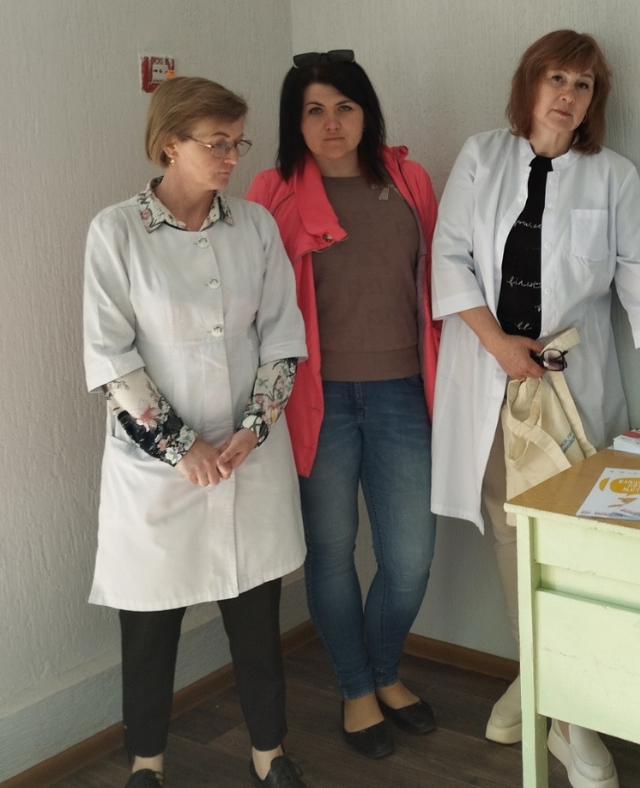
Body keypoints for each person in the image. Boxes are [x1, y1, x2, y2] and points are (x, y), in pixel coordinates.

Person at [430, 30, 640, 788]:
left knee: (574, 540)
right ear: (529, 85)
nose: (567, 95)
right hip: (493, 378)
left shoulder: (613, 175)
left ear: (596, 100)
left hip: (571, 383)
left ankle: (553, 691)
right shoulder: (482, 156)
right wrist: (498, 345)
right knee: (514, 537)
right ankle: (564, 708)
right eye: (556, 79)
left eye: (584, 84)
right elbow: (450, 258)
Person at [83, 76, 309, 788]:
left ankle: (270, 754)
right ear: (169, 144)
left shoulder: (256, 227)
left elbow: (283, 338)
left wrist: (253, 428)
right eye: (217, 143)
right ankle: (146, 765)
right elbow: (112, 360)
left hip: (248, 458)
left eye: (238, 142)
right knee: (150, 624)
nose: (233, 157)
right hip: (156, 470)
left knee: (256, 618)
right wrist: (184, 449)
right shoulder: (117, 232)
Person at [246, 50, 440, 760]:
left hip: (402, 393)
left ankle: (385, 670)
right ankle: (358, 688)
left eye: (345, 107)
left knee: (410, 558)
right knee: (330, 552)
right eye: (314, 110)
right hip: (314, 398)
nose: (332, 124)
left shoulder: (408, 180)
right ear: (294, 121)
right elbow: (255, 301)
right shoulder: (272, 190)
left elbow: (440, 281)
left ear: (367, 112)